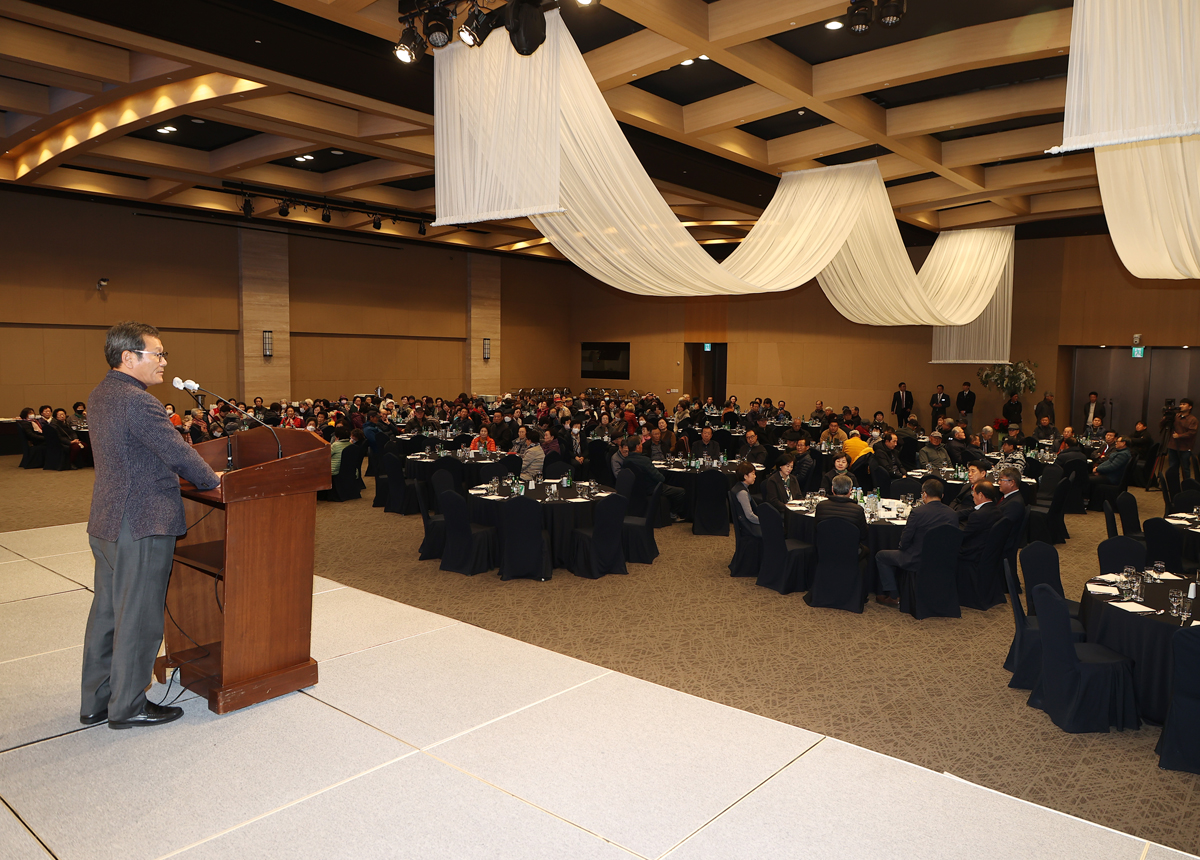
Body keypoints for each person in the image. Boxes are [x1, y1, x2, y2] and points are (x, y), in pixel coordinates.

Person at [81, 321, 223, 730]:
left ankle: (97, 700)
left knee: (108, 614)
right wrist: (212, 480)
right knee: (140, 616)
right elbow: (176, 451)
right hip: (141, 521)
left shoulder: (101, 394)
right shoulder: (138, 401)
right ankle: (128, 705)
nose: (163, 361)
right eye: (157, 353)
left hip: (108, 518)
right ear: (128, 357)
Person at [874, 478, 960, 609]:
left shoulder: (918, 512)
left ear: (924, 494)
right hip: (945, 559)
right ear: (942, 495)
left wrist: (902, 548)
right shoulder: (952, 514)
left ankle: (893, 596)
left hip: (918, 558)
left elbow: (906, 539)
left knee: (881, 556)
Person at [623, 437, 685, 522]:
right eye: (640, 444)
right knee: (680, 492)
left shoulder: (626, 461)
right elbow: (659, 478)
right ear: (637, 447)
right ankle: (673, 514)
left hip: (634, 489)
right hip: (650, 488)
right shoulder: (645, 460)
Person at [959, 481, 1004, 566]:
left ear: (980, 495)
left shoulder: (977, 515)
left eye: (973, 492)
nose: (972, 495)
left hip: (972, 556)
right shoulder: (998, 511)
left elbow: (964, 537)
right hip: (988, 554)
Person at [1165, 398, 1197, 484]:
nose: (1181, 406)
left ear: (1190, 407)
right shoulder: (1176, 417)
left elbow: (1192, 433)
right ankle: (1174, 485)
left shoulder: (1192, 419)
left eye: (1184, 404)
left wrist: (1179, 436)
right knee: (1173, 467)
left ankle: (1187, 485)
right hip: (1173, 446)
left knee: (1185, 468)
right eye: (1181, 404)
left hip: (1185, 447)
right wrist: (1166, 417)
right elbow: (1164, 426)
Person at [731, 461, 760, 537]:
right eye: (753, 474)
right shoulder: (742, 493)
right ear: (745, 476)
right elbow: (750, 516)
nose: (755, 476)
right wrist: (763, 521)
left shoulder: (738, 487)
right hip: (748, 527)